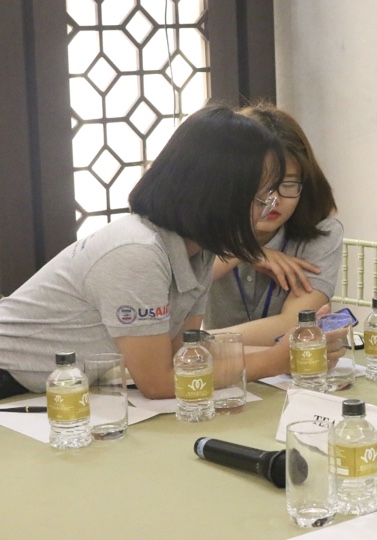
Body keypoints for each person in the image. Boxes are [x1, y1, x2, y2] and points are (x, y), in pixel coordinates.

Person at [0, 105, 309, 400]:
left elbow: (183, 355)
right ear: (218, 194)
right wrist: (272, 362)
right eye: (260, 197)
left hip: (47, 386)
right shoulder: (138, 252)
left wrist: (295, 352)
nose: (265, 211)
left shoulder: (197, 250)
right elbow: (158, 381)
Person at [204, 104, 344, 346]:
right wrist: (243, 251)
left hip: (283, 373)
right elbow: (185, 282)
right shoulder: (206, 220)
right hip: (213, 369)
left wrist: (195, 343)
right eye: (260, 184)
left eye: (288, 185)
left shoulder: (323, 231)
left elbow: (294, 324)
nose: (273, 199)